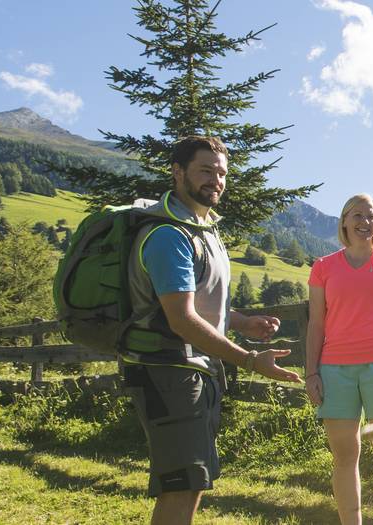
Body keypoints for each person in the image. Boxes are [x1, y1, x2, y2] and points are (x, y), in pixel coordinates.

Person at [125, 136, 301, 525]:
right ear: (178, 172)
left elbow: (199, 303)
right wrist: (251, 360)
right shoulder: (169, 236)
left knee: (194, 480)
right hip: (168, 370)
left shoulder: (202, 229)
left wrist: (240, 322)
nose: (216, 180)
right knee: (180, 484)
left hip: (193, 370)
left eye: (221, 173)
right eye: (206, 170)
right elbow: (181, 319)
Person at [306, 193, 373, 525]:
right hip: (335, 370)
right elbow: (316, 324)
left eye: (371, 216)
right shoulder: (323, 268)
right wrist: (311, 372)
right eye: (357, 215)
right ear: (344, 221)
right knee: (344, 456)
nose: (364, 222)